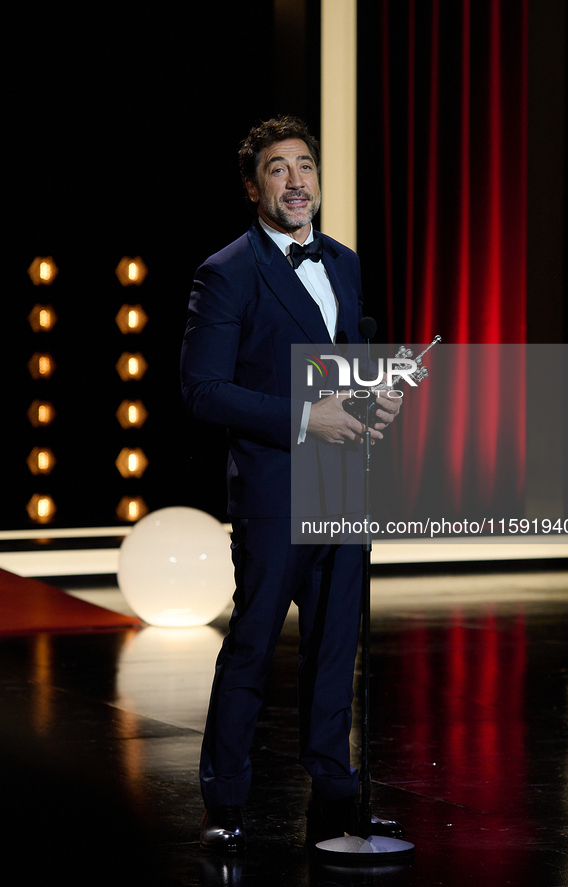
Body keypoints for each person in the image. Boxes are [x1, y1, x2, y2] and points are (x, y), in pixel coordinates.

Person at [180, 115, 401, 853]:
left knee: (336, 647)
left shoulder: (342, 260)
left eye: (305, 165)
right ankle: (226, 805)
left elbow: (343, 362)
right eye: (278, 168)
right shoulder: (228, 270)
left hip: (344, 483)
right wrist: (312, 416)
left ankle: (336, 798)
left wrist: (377, 392)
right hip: (275, 491)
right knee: (251, 645)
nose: (297, 180)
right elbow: (203, 390)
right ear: (253, 186)